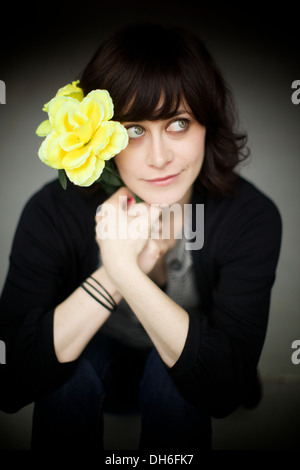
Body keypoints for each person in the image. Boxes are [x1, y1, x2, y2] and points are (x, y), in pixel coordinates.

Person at [0, 23, 282, 450]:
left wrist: (123, 271)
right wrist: (113, 274)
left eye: (179, 123)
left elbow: (223, 389)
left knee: (172, 379)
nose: (159, 157)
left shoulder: (250, 216)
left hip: (185, 374)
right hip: (93, 368)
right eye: (134, 129)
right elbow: (10, 381)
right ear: (103, 140)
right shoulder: (52, 212)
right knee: (72, 371)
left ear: (208, 123)